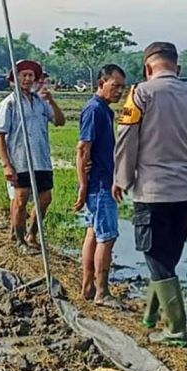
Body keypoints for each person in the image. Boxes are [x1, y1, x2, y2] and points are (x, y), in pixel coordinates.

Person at [114, 42, 187, 347]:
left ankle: (175, 329)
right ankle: (149, 315)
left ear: (148, 68)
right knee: (168, 256)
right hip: (186, 192)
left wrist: (121, 178)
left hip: (152, 191)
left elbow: (126, 140)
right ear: (178, 68)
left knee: (154, 255)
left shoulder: (141, 93)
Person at [0, 60, 65, 254]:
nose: (27, 79)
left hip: (41, 158)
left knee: (45, 198)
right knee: (21, 198)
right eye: (23, 75)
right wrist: (6, 165)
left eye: (30, 76)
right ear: (15, 78)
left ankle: (32, 233)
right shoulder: (9, 103)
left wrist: (51, 101)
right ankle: (19, 240)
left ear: (35, 79)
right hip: (20, 158)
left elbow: (59, 121)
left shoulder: (41, 101)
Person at [73, 64, 126, 308]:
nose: (119, 91)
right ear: (101, 83)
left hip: (103, 179)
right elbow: (83, 148)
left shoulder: (105, 111)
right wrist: (83, 186)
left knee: (94, 232)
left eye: (122, 87)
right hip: (101, 182)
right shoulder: (94, 109)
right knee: (108, 236)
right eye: (114, 86)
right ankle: (101, 292)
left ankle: (88, 286)